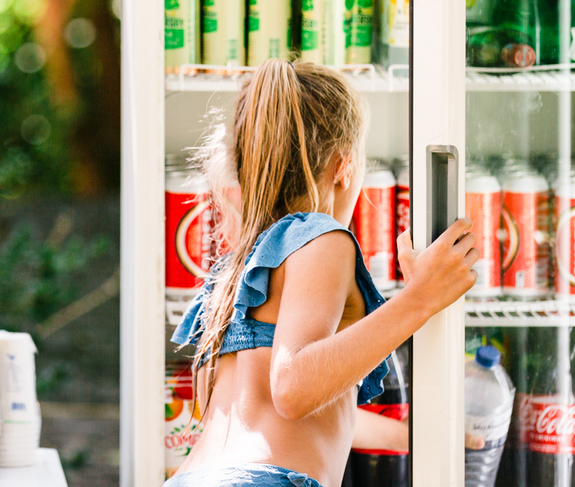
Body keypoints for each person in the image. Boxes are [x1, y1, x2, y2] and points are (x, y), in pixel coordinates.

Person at [167, 59, 479, 487]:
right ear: (344, 166)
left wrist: (414, 437)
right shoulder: (321, 237)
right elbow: (293, 389)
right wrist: (420, 298)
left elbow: (286, 413)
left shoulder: (236, 269)